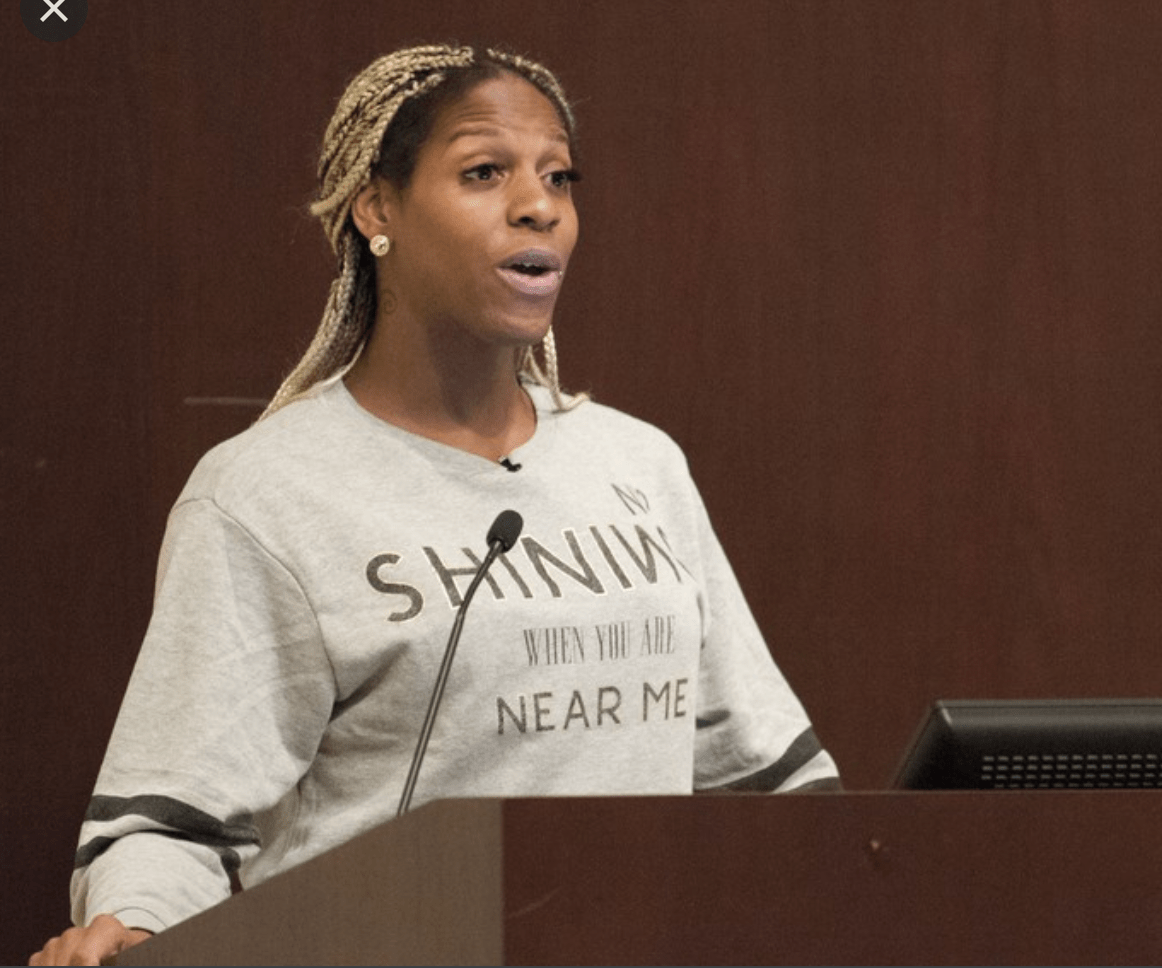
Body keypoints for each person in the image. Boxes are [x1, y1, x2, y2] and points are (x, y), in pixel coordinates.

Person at [30, 43, 840, 966]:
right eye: (484, 172)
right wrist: (134, 926)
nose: (539, 206)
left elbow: (768, 780)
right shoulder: (264, 493)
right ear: (377, 207)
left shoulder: (638, 463)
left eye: (559, 177)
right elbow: (172, 821)